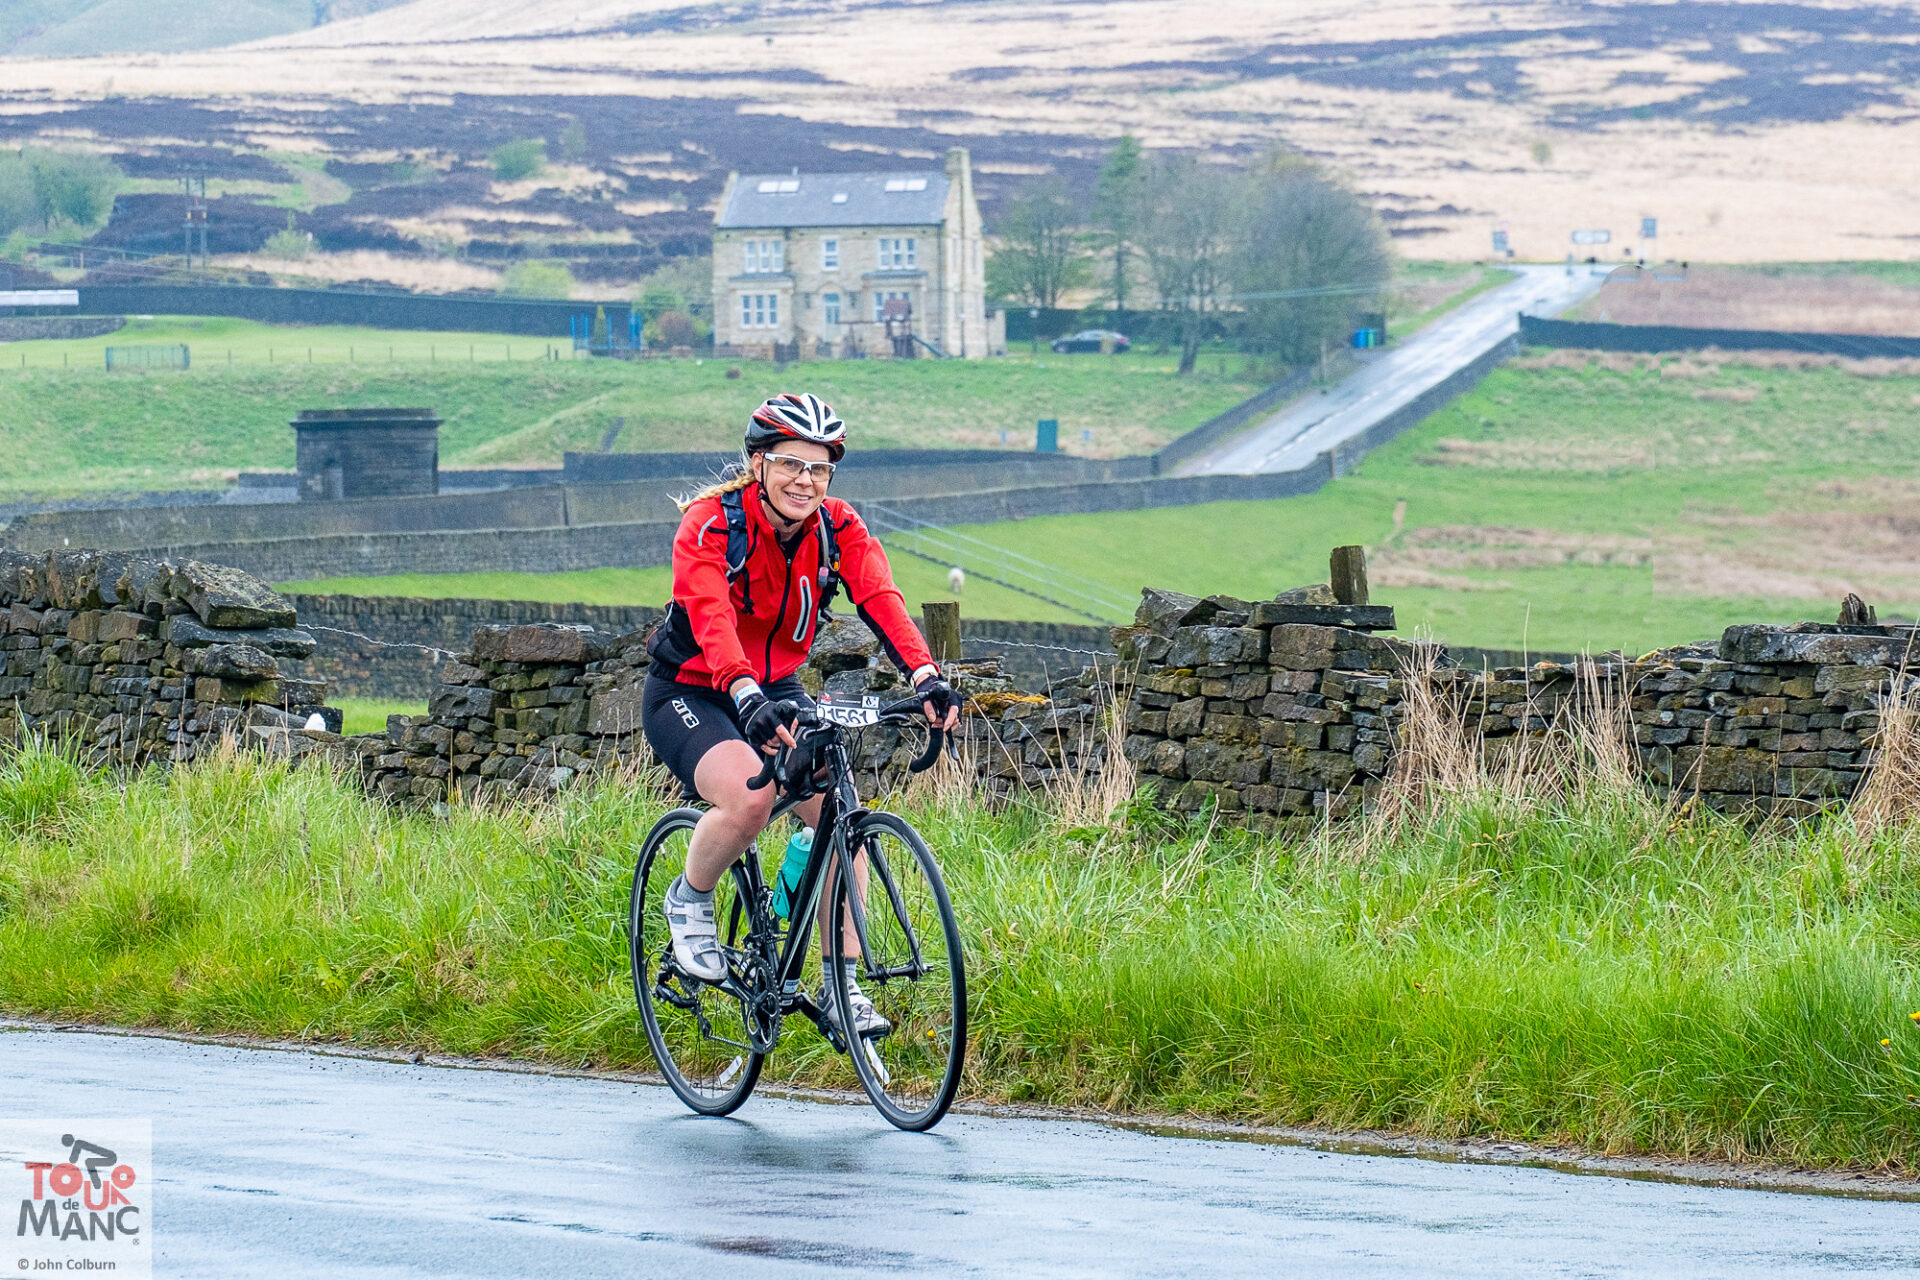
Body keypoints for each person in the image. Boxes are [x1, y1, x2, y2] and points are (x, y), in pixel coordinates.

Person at [641, 391, 961, 1037]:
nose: (805, 480)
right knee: (751, 802)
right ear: (757, 463)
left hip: (777, 683)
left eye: (819, 468)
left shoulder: (839, 526)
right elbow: (709, 614)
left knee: (840, 818)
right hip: (693, 686)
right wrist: (742, 692)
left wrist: (926, 674)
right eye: (790, 463)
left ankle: (841, 987)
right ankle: (691, 899)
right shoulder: (710, 523)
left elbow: (880, 597)